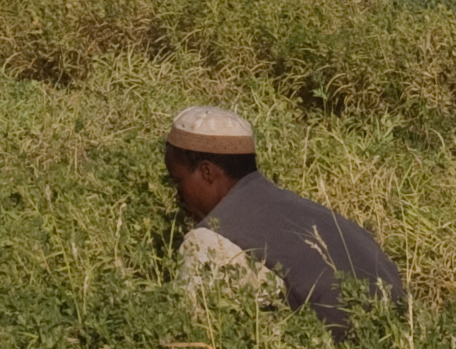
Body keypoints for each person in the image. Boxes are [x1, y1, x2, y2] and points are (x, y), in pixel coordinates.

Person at [163, 104, 402, 334]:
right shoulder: (329, 219)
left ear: (207, 172)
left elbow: (195, 334)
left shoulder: (209, 241)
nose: (177, 196)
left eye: (178, 181)